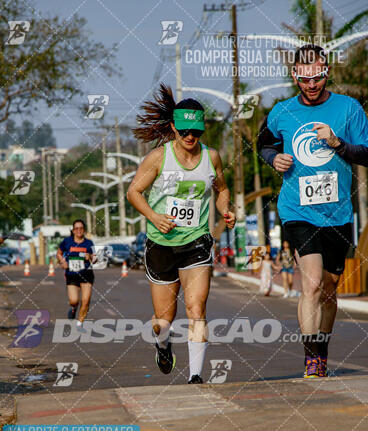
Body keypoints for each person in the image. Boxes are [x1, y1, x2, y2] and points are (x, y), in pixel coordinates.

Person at [258, 44, 368, 378]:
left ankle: (322, 347)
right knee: (312, 283)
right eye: (305, 79)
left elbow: (366, 153)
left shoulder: (349, 109)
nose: (311, 84)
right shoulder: (281, 112)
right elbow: (264, 143)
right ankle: (311, 359)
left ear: (326, 73)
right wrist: (272, 159)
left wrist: (338, 144)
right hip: (297, 210)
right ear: (295, 76)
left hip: (337, 213)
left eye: (317, 77)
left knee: (330, 289)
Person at [127, 84, 235, 384]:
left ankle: (196, 376)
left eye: (196, 131)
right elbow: (133, 192)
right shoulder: (158, 158)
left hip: (196, 241)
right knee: (163, 320)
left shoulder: (211, 158)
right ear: (173, 127)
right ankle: (162, 347)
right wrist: (153, 216)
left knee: (197, 308)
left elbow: (222, 189)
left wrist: (226, 209)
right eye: (185, 130)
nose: (190, 136)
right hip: (160, 244)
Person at [56, 219, 96, 332]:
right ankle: (73, 308)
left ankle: (79, 323)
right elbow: (59, 253)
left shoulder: (89, 243)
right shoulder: (67, 242)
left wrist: (91, 257)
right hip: (72, 274)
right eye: (76, 228)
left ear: (84, 230)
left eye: (81, 228)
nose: (79, 230)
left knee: (86, 300)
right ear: (73, 230)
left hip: (86, 274)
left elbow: (96, 258)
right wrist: (62, 261)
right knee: (74, 300)